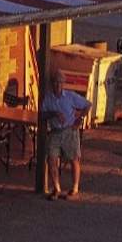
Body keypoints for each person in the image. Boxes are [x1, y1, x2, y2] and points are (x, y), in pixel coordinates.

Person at [39, 68, 91, 200]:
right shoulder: (48, 98)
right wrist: (55, 113)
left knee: (74, 159)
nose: (58, 85)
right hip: (55, 131)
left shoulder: (70, 96)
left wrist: (80, 117)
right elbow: (43, 114)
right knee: (51, 159)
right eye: (55, 82)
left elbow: (88, 105)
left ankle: (74, 188)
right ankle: (56, 188)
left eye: (60, 82)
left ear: (64, 84)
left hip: (69, 130)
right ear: (52, 84)